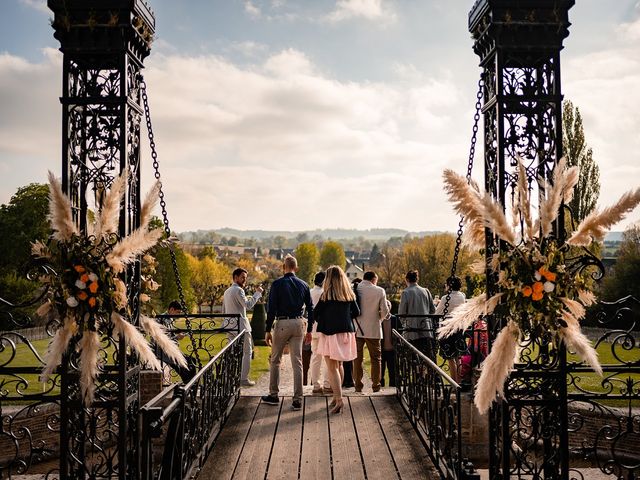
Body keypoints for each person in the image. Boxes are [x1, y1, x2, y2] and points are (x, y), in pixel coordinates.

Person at [261, 255, 313, 411]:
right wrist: (309, 329)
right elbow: (311, 308)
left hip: (282, 323)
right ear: (295, 268)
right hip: (299, 323)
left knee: (276, 360)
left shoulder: (277, 284)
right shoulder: (304, 285)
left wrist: (267, 329)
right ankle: (297, 399)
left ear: (284, 267)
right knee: (297, 362)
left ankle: (274, 395)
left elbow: (271, 309)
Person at [311, 266, 359, 414]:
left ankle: (339, 400)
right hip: (346, 332)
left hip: (331, 333)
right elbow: (356, 312)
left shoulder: (326, 295)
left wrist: (325, 319)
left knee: (332, 367)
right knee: (339, 366)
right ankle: (336, 396)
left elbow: (315, 313)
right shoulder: (348, 294)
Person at [222, 268, 263, 387]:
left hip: (229, 326)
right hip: (241, 327)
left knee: (231, 353)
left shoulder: (227, 291)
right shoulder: (239, 290)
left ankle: (228, 377)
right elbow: (248, 305)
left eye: (245, 277)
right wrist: (258, 293)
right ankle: (243, 379)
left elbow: (224, 310)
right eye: (242, 277)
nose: (245, 280)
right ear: (235, 277)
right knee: (247, 352)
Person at [353, 271, 390, 393]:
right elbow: (384, 311)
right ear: (374, 279)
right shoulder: (379, 291)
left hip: (357, 329)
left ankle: (358, 386)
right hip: (373, 329)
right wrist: (379, 319)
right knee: (376, 359)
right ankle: (376, 386)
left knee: (357, 359)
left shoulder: (355, 288)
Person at [434, 276, 466, 382]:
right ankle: (459, 381)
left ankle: (454, 382)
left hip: (448, 329)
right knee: (458, 358)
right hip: (459, 328)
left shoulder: (445, 298)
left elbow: (437, 313)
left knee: (450, 358)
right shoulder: (462, 296)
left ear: (449, 285)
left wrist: (437, 304)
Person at [399, 270, 436, 360]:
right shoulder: (426, 291)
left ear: (407, 279)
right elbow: (433, 310)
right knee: (426, 358)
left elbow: (401, 313)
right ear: (417, 279)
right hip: (426, 329)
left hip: (411, 330)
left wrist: (404, 323)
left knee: (413, 359)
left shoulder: (406, 292)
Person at [157, 301, 196, 383]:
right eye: (177, 312)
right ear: (171, 309)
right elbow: (162, 339)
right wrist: (177, 337)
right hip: (164, 351)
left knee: (192, 360)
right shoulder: (163, 319)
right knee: (184, 368)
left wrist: (177, 335)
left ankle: (191, 385)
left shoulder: (169, 319)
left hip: (170, 349)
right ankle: (188, 386)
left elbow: (169, 334)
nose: (178, 315)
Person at [309, 271, 330, 394]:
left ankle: (316, 385)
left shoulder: (310, 292)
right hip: (325, 328)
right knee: (327, 357)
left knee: (316, 357)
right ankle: (327, 384)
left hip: (313, 329)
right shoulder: (325, 293)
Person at [380, 300, 399, 387]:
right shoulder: (379, 320)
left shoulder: (395, 319)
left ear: (390, 307)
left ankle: (393, 388)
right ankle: (380, 387)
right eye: (385, 305)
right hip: (381, 350)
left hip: (392, 350)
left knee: (393, 371)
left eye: (388, 305)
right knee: (380, 371)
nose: (386, 307)